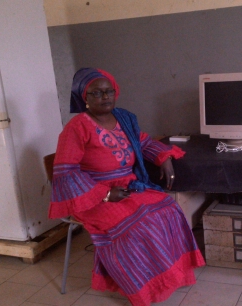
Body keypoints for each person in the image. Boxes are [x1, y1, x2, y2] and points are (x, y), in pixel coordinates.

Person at [48, 68, 205, 305]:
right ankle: (141, 287)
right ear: (85, 97)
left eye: (109, 91)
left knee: (168, 209)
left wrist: (163, 158)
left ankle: (168, 276)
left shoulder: (123, 118)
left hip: (130, 186)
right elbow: (65, 172)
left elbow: (142, 142)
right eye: (97, 93)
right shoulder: (77, 127)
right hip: (93, 196)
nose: (105, 97)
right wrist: (106, 193)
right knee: (138, 225)